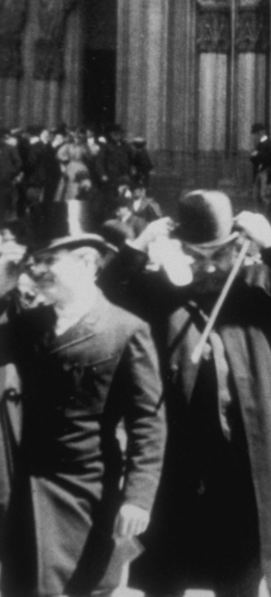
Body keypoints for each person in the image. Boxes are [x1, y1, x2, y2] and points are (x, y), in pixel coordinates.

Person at [120, 191, 271, 597]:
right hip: (180, 455)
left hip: (249, 454)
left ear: (237, 243)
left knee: (241, 574)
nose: (208, 263)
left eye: (218, 252)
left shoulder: (257, 282)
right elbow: (109, 295)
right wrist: (138, 244)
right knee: (166, 574)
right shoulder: (158, 291)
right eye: (195, 254)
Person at [0, 222, 166, 597]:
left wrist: (138, 496)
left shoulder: (124, 329)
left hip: (87, 491)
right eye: (35, 261)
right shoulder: (26, 325)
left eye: (49, 261)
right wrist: (4, 285)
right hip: (26, 492)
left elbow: (147, 421)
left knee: (85, 588)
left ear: (88, 263)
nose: (38, 271)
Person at [250, 123, 271, 206]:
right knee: (257, 195)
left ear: (260, 133)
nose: (255, 136)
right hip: (259, 171)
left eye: (256, 134)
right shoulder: (259, 144)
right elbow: (253, 158)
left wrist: (257, 155)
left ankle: (268, 215)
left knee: (264, 194)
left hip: (266, 171)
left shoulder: (269, 143)